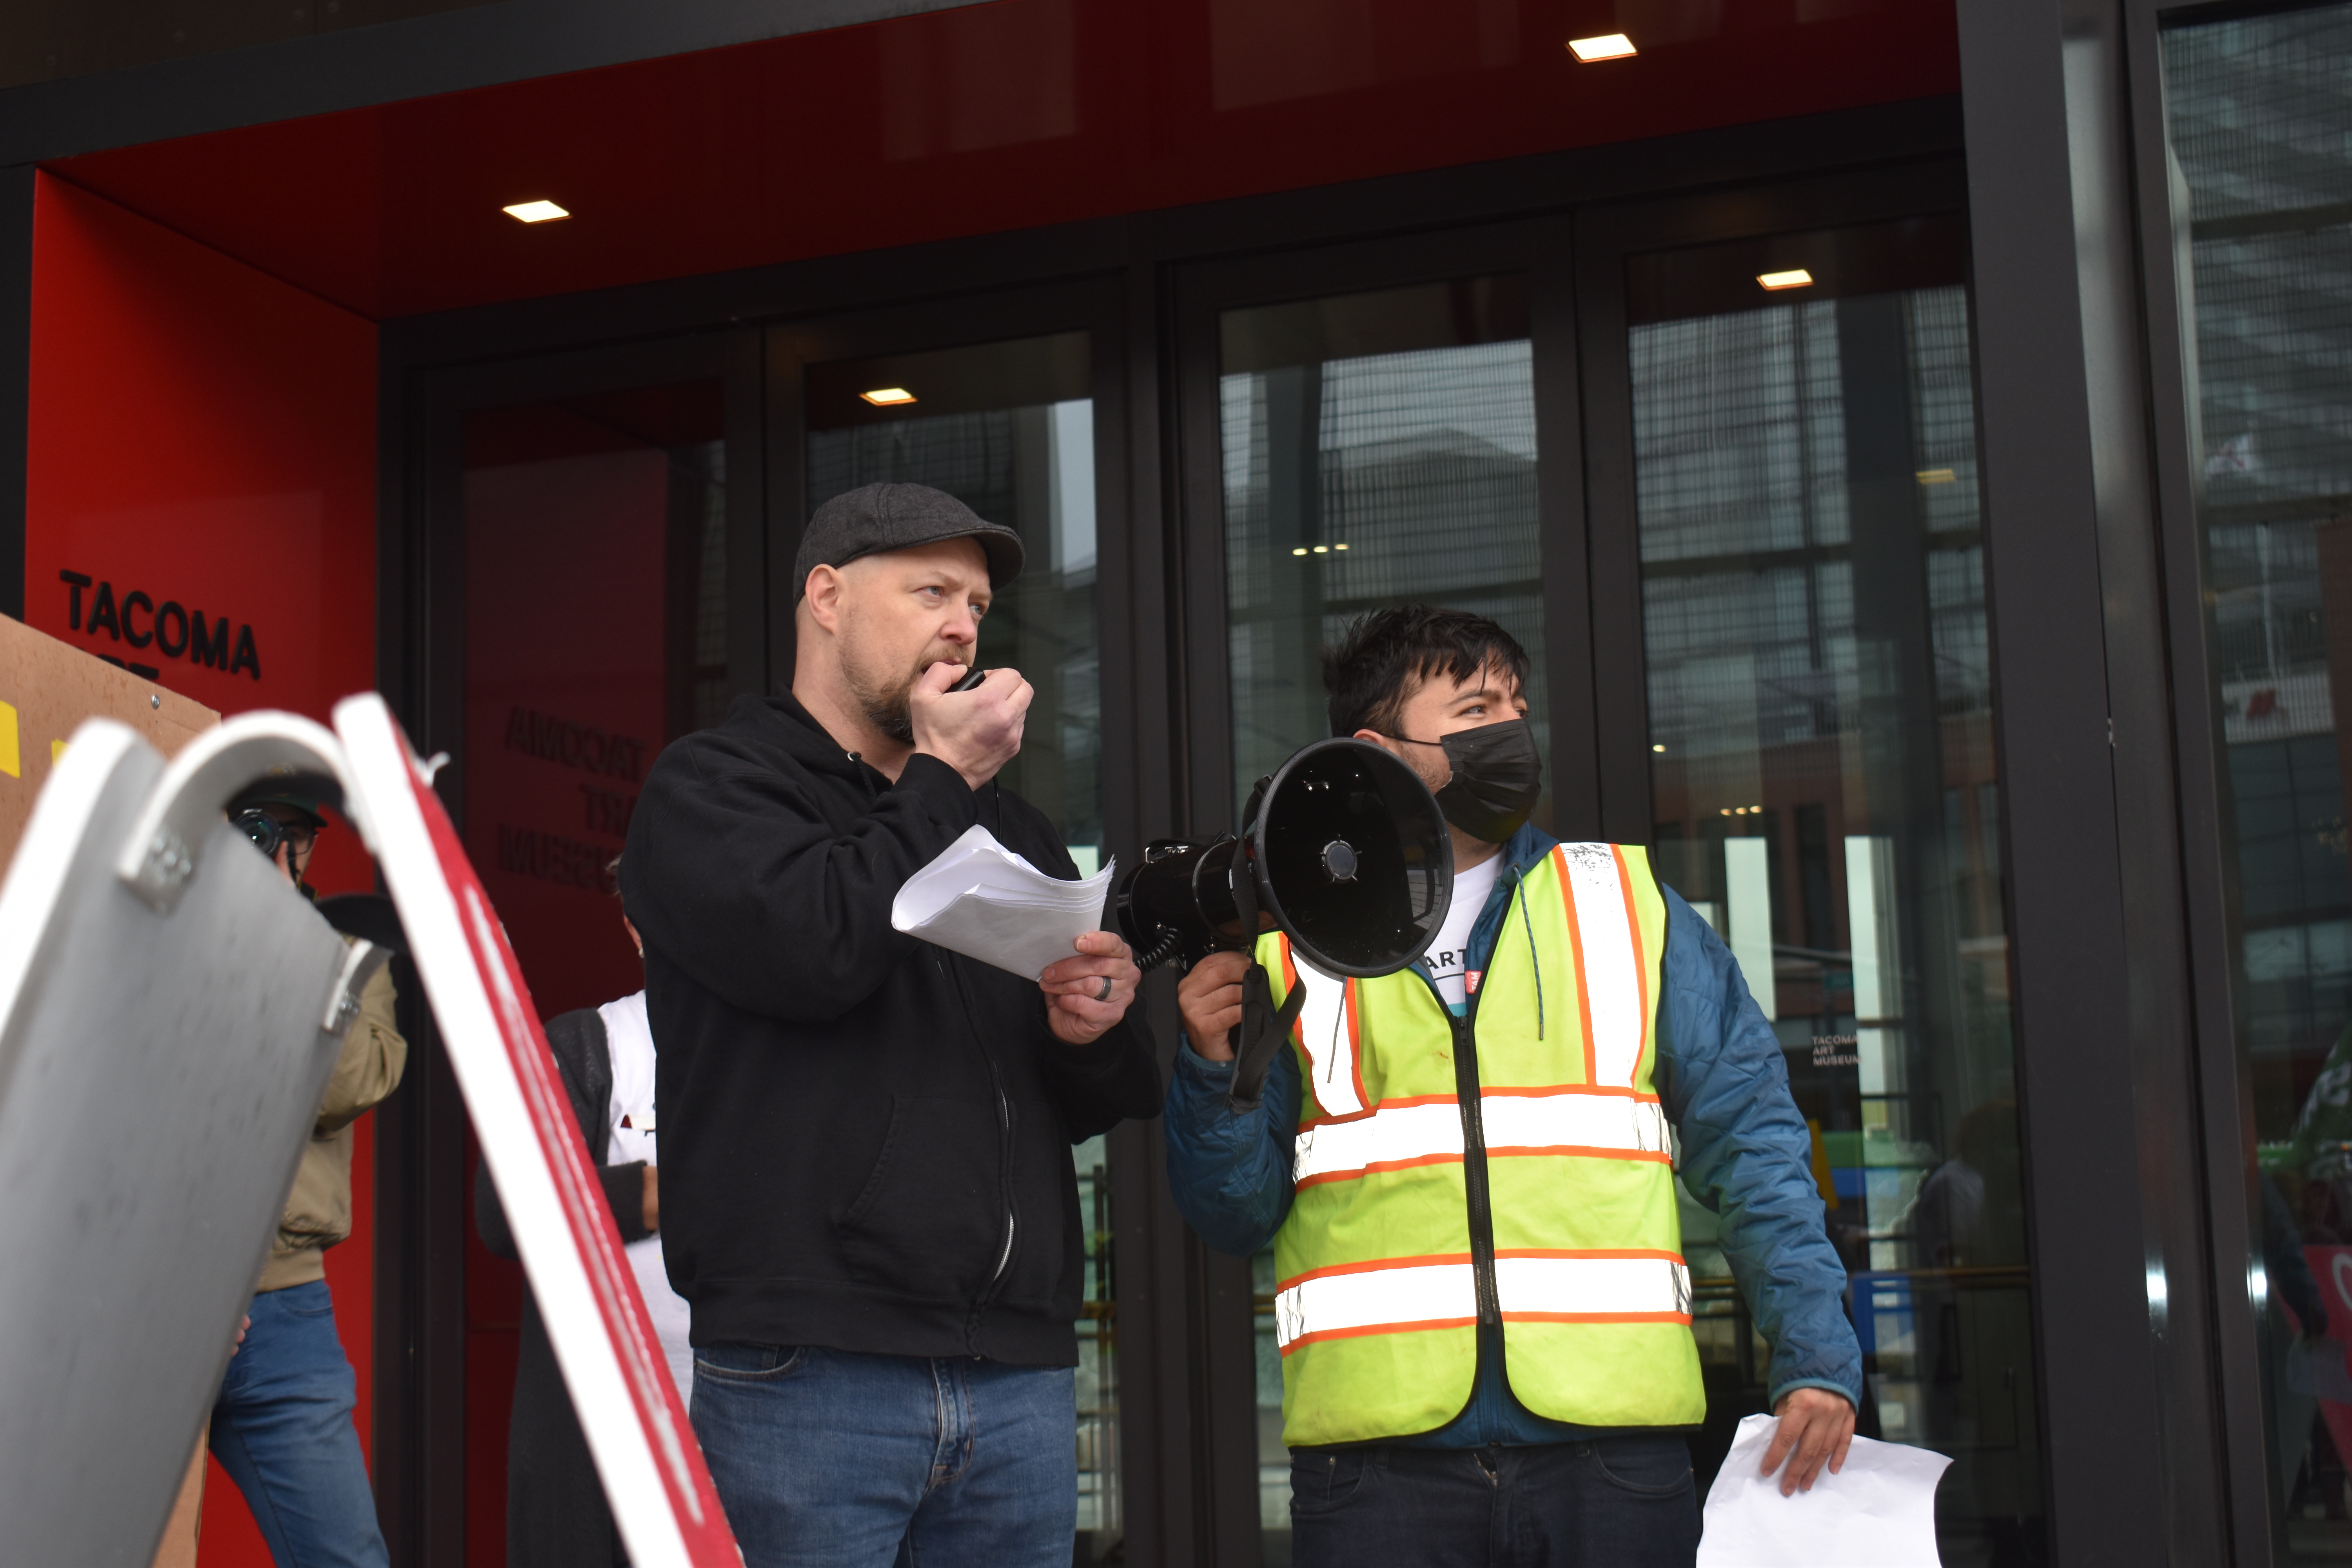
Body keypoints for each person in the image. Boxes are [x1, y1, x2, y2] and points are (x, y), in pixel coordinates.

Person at [1163, 604, 1862, 1568]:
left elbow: (1757, 1146)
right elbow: (1235, 1212)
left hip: (1611, 1454)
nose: (1511, 730)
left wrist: (1817, 1358)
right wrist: (1212, 1072)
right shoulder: (1290, 950)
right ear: (1381, 749)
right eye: (1475, 705)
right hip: (1376, 1472)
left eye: (1516, 705)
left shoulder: (1626, 903)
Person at [620, 481, 1163, 1568]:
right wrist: (944, 778)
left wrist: (1093, 1025)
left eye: (977, 603)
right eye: (931, 590)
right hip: (810, 1369)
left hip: (1015, 1374)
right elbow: (821, 947)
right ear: (826, 597)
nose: (964, 624)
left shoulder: (1007, 823)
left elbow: (1104, 1101)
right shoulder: (711, 788)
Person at [211, 779, 407, 1568]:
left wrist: (284, 936)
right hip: (154, 1291)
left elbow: (344, 1084)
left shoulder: (348, 952)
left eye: (300, 834)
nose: (285, 851)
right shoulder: (159, 925)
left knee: (346, 1555)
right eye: (263, 830)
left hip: (285, 1305)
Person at [475, 859, 690, 1568]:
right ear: (632, 924)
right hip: (608, 1442)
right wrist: (652, 1195)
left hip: (765, 1435)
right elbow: (503, 1210)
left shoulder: (794, 1056)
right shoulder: (587, 1046)